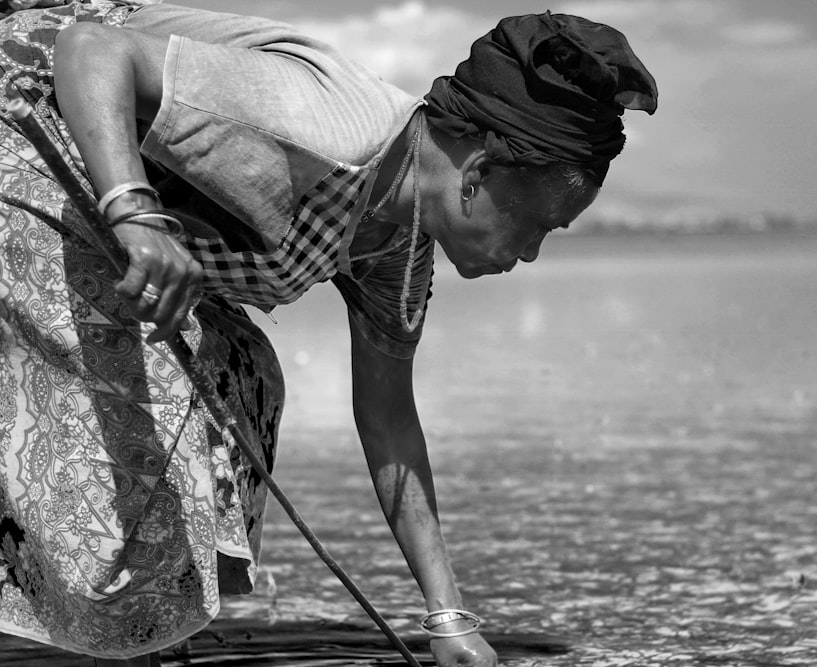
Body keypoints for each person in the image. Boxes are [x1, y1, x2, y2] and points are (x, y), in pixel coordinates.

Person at [0, 1, 657, 665]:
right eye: (537, 225)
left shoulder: (398, 252)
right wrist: (136, 216)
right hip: (23, 121)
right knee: (148, 392)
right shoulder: (328, 129)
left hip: (87, 206)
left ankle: (142, 640)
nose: (533, 252)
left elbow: (389, 420)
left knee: (244, 376)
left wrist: (448, 616)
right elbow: (89, 51)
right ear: (478, 174)